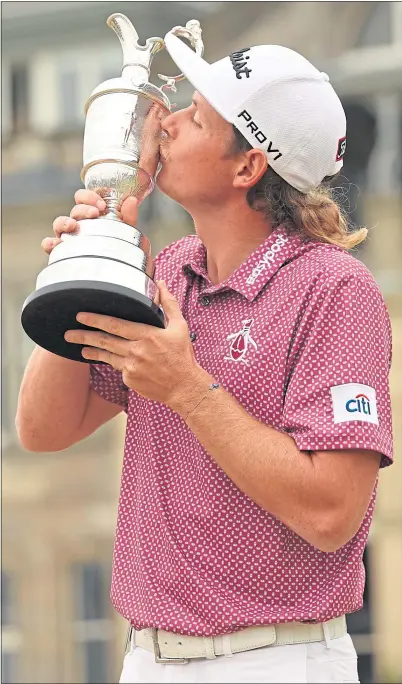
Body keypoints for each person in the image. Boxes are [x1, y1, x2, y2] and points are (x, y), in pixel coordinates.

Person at [16, 42, 394, 684]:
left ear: (248, 165)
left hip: (277, 662)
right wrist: (86, 262)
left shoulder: (333, 289)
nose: (164, 123)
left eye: (194, 114)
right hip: (148, 659)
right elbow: (44, 429)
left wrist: (189, 389)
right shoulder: (169, 270)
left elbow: (333, 515)